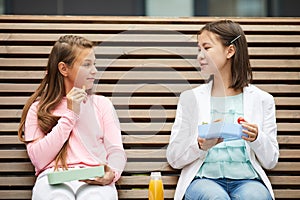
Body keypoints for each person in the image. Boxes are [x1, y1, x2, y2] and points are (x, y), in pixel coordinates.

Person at [166, 20, 279, 200]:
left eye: (207, 48)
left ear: (230, 51)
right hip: (204, 180)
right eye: (199, 49)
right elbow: (174, 158)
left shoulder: (262, 100)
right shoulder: (190, 99)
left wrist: (257, 138)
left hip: (248, 181)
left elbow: (271, 160)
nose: (199, 56)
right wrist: (200, 145)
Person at [18, 35, 126, 200]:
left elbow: (116, 150)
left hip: (94, 178)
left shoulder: (102, 104)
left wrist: (112, 173)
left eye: (94, 64)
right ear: (64, 69)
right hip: (52, 179)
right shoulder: (38, 108)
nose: (94, 71)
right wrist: (71, 114)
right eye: (87, 64)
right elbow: (39, 160)